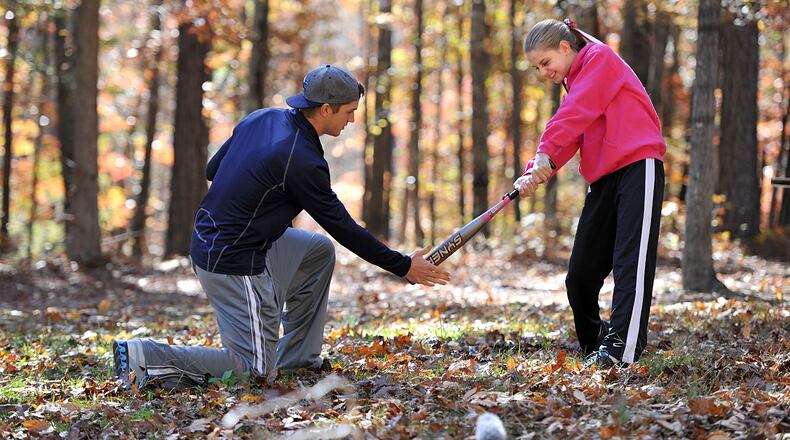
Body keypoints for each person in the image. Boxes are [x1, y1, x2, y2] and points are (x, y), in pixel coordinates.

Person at [113, 64, 451, 390]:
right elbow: (343, 226)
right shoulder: (301, 159)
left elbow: (213, 168)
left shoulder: (263, 117)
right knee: (252, 370)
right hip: (231, 259)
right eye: (348, 112)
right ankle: (146, 355)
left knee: (317, 252)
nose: (352, 120)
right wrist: (403, 266)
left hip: (220, 239)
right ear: (326, 108)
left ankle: (298, 358)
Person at [513, 19, 665, 368]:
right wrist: (534, 172)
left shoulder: (600, 59)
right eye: (537, 68)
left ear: (565, 48)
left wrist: (543, 154)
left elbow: (574, 113)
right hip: (603, 178)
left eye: (546, 63)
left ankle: (621, 350)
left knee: (631, 265)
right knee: (580, 274)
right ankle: (597, 342)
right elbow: (573, 133)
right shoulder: (576, 82)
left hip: (638, 168)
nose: (543, 72)